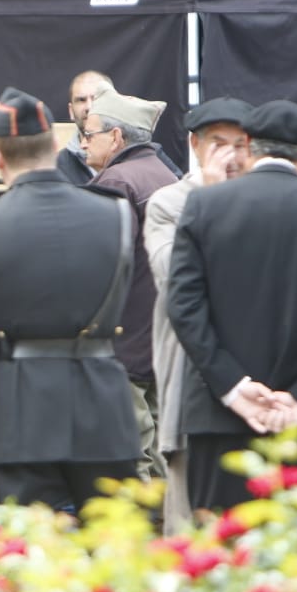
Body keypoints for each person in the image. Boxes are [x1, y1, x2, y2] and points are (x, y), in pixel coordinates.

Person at [170, 100, 297, 513]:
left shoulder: (204, 207)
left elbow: (184, 306)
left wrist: (232, 386)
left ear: (249, 147)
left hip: (219, 420)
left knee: (223, 560)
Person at [0, 88, 139, 511]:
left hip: (18, 408)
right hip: (103, 404)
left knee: (34, 557)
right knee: (110, 556)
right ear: (57, 147)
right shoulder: (113, 212)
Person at [143, 97, 252, 531]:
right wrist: (211, 201)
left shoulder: (262, 200)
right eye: (218, 144)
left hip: (255, 383)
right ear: (194, 145)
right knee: (189, 525)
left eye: (241, 144)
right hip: (189, 382)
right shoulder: (169, 203)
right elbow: (173, 278)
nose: (231, 156)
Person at [86, 89, 178, 479]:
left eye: (89, 134)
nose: (83, 142)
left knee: (130, 455)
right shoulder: (165, 174)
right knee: (162, 448)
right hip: (162, 336)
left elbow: (97, 267)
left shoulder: (115, 182)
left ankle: (148, 534)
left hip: (123, 341)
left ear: (117, 138)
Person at [57, 70, 113, 185]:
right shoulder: (57, 168)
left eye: (96, 98)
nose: (89, 106)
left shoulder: (140, 155)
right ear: (71, 111)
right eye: (81, 100)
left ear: (115, 103)